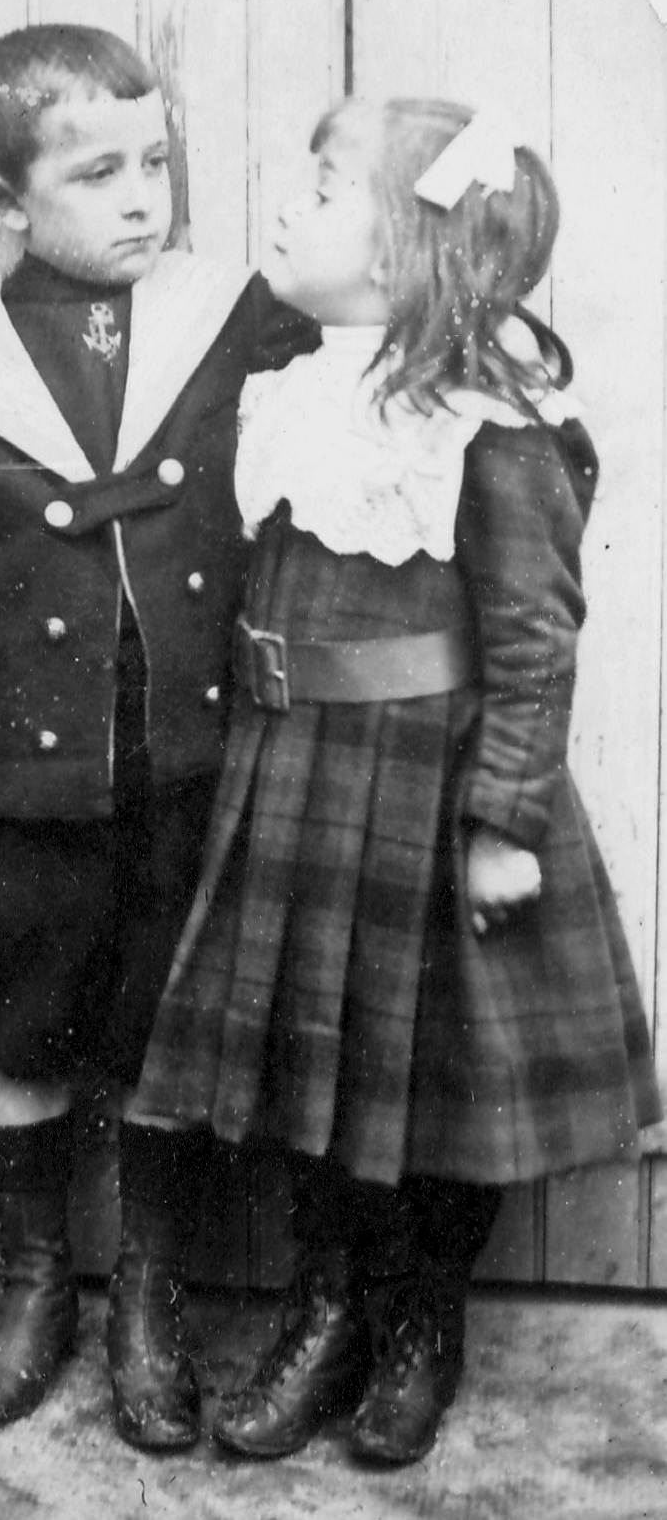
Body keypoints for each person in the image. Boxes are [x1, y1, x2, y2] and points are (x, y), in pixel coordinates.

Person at [121, 97, 663, 1465]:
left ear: (408, 251)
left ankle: (422, 1318)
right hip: (296, 777)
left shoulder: (488, 417)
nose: (285, 205)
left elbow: (536, 635)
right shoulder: (295, 386)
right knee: (311, 1069)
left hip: (426, 788)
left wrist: (504, 821)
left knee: (431, 1083)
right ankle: (328, 1305)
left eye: (323, 188)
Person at [0, 24, 315, 1433]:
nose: (141, 201)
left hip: (194, 758)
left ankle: (151, 1295)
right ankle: (36, 1280)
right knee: (23, 1019)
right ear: (5, 203)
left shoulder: (224, 318)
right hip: (20, 773)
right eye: (98, 174)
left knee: (171, 1023)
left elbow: (367, 365)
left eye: (155, 166)